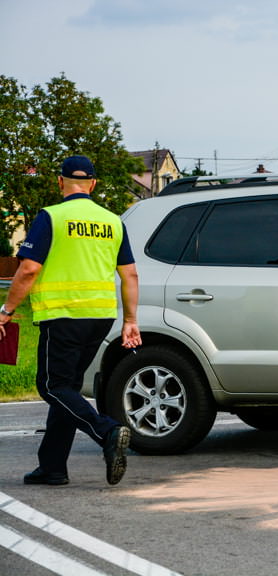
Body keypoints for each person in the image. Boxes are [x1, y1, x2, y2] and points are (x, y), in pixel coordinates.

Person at [0, 155, 142, 486]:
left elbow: (29, 269)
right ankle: (52, 467)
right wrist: (130, 321)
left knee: (52, 386)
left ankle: (106, 431)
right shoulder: (112, 221)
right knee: (68, 388)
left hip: (63, 315)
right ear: (93, 184)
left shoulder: (51, 216)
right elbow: (130, 274)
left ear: (59, 182)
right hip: (101, 317)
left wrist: (6, 311)